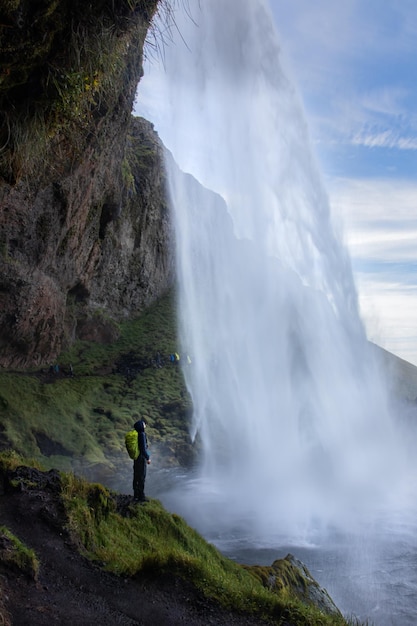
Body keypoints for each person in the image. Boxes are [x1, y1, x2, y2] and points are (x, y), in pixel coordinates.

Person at [132, 418, 151, 502]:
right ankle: (141, 497)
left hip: (136, 458)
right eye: (144, 424)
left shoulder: (135, 434)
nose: (145, 426)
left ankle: (136, 495)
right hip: (141, 458)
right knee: (141, 477)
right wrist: (148, 458)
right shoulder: (142, 434)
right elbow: (143, 449)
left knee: (136, 476)